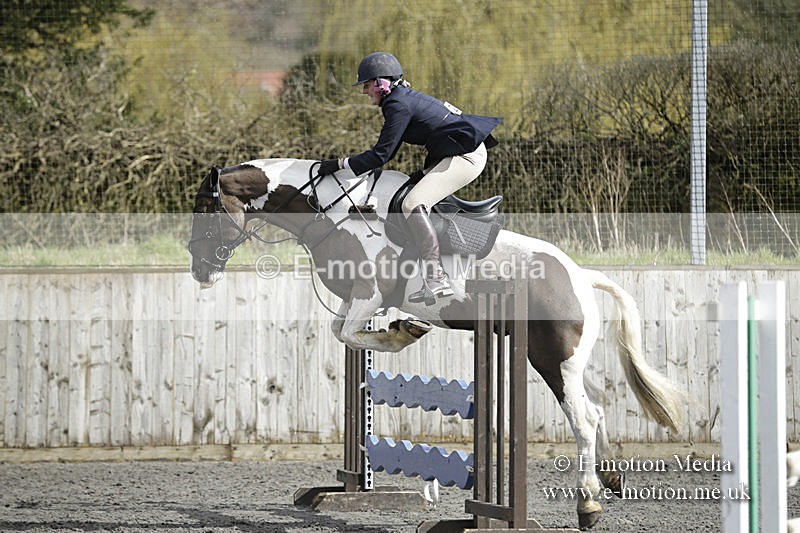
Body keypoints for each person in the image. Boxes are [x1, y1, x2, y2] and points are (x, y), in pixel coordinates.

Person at [316, 52, 502, 304]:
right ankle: (420, 278)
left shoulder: (397, 105)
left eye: (367, 85)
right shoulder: (401, 99)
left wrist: (339, 164)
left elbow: (381, 155)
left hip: (466, 157)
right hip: (454, 153)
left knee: (412, 204)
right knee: (406, 197)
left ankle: (437, 278)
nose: (364, 91)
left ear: (382, 83)